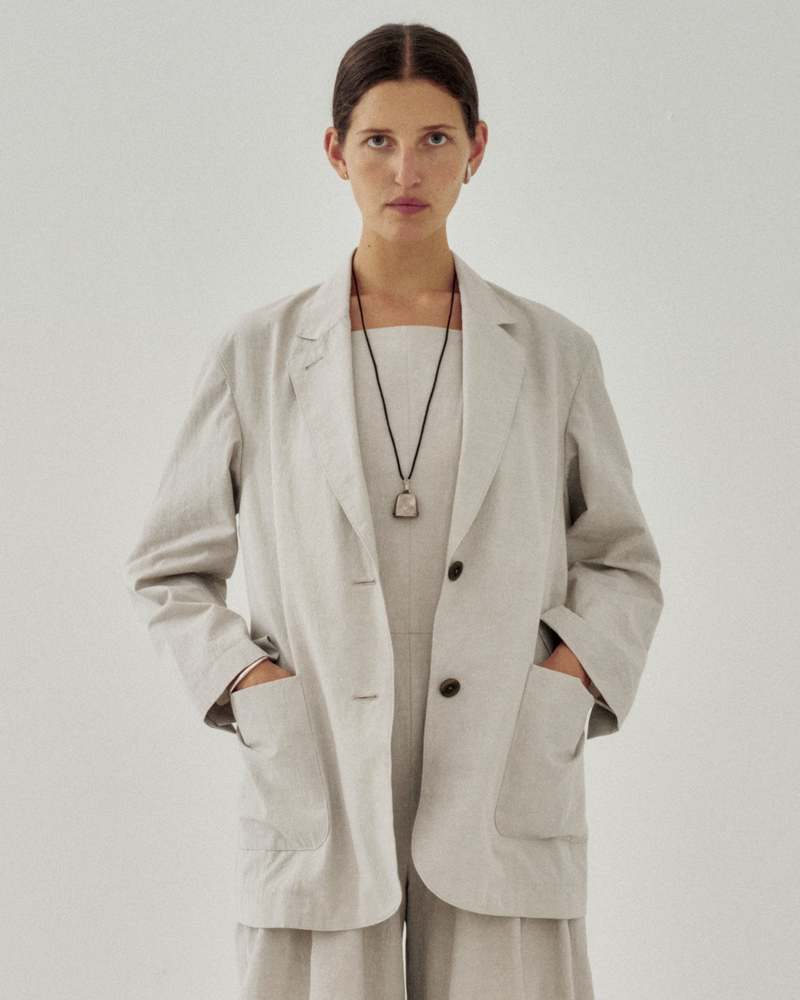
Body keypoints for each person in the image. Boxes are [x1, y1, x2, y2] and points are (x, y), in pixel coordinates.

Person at [124, 21, 664, 1000]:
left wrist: (566, 679)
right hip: (321, 763)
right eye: (378, 139)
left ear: (476, 148)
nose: (405, 170)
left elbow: (621, 558)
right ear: (336, 151)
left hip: (503, 763)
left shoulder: (553, 353)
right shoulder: (256, 354)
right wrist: (250, 684)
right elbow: (168, 566)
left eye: (434, 139)